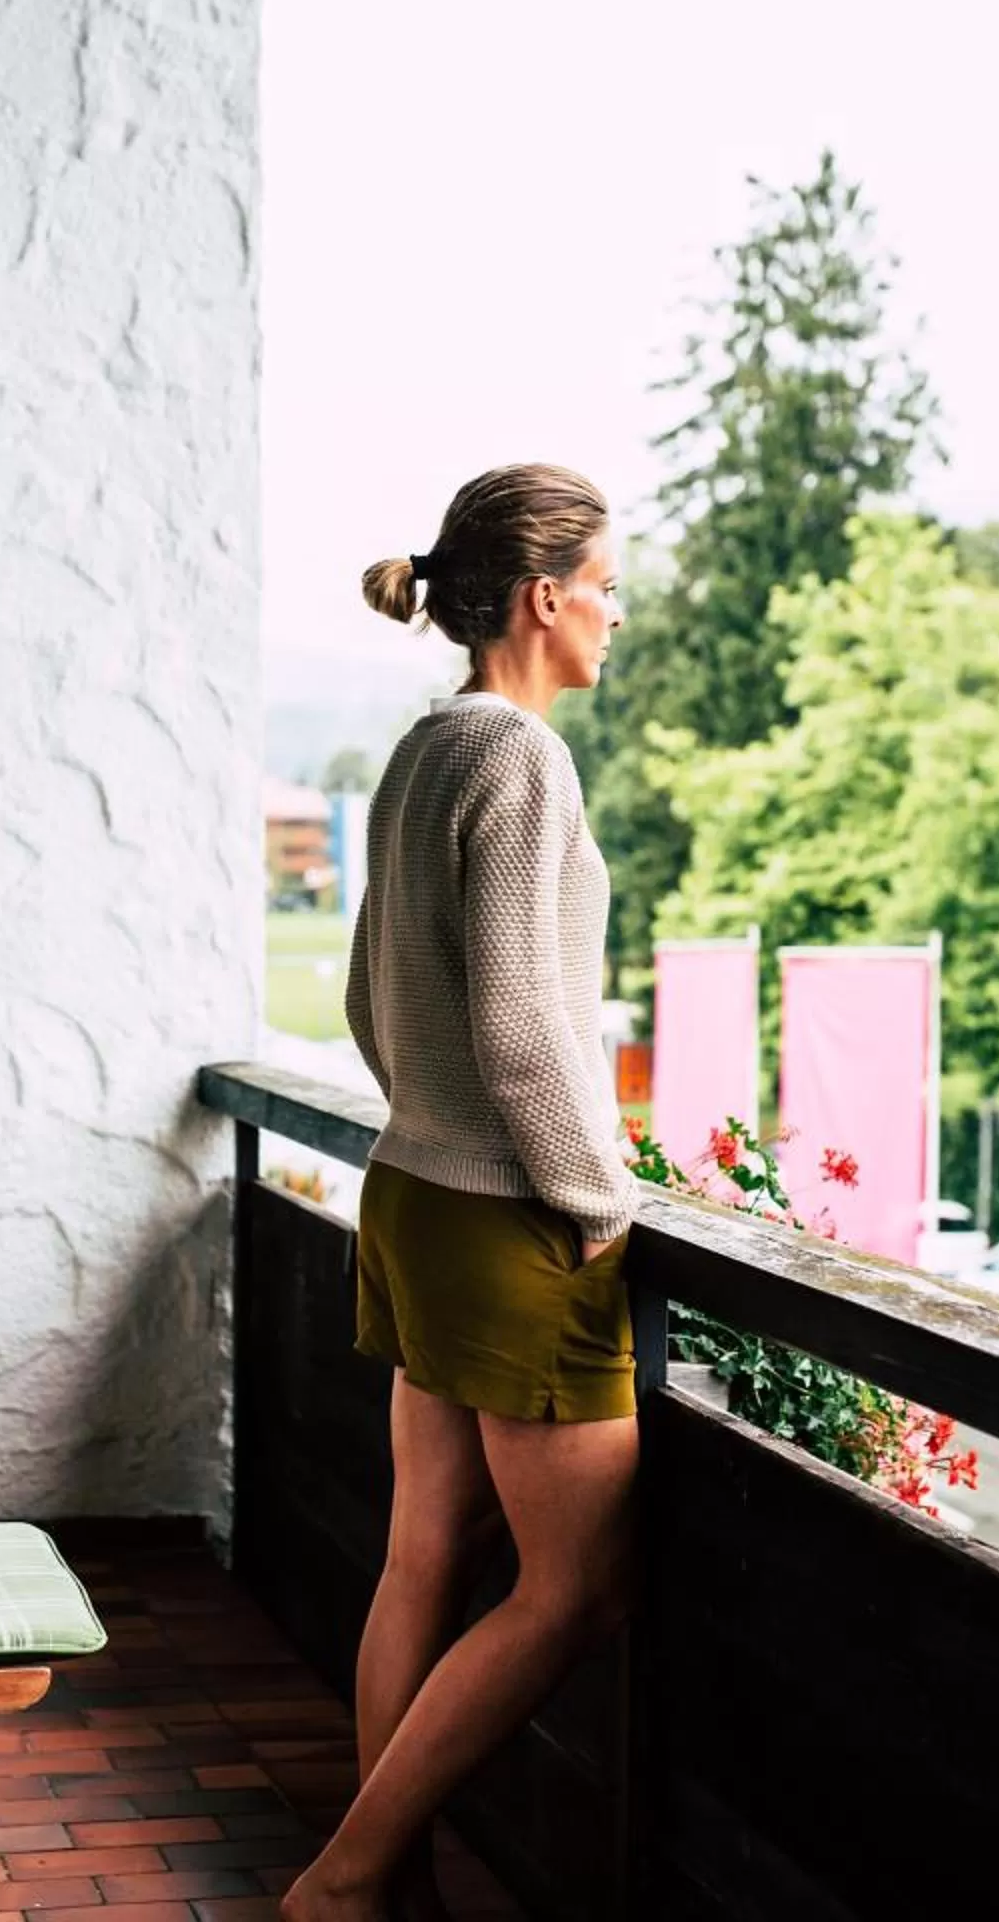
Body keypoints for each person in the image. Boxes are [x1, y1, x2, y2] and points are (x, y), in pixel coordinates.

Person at [286, 463, 636, 1922]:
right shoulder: (523, 759)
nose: (618, 617)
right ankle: (351, 1877)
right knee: (566, 1591)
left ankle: (389, 1890)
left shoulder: (424, 750)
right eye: (609, 588)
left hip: (413, 1193)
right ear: (544, 598)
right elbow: (517, 1022)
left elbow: (372, 1002)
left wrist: (432, 1120)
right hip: (506, 1220)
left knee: (421, 1552)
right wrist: (595, 1193)